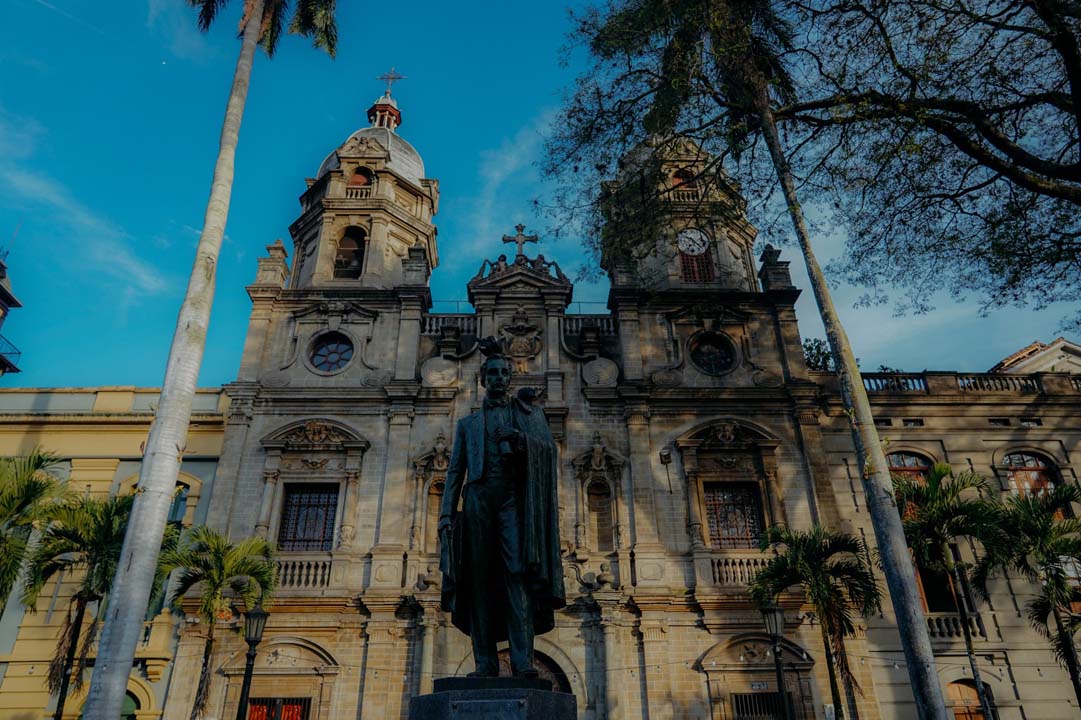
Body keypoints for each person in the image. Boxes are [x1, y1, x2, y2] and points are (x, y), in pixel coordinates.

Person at [438, 345, 565, 677]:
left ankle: (522, 661)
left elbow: (549, 451)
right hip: (477, 499)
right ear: (482, 380)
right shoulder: (468, 424)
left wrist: (520, 440)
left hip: (512, 501)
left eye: (502, 373)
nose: (497, 378)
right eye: (491, 373)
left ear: (509, 379)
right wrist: (446, 514)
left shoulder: (526, 415)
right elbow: (455, 471)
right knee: (477, 582)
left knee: (516, 576)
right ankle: (484, 662)